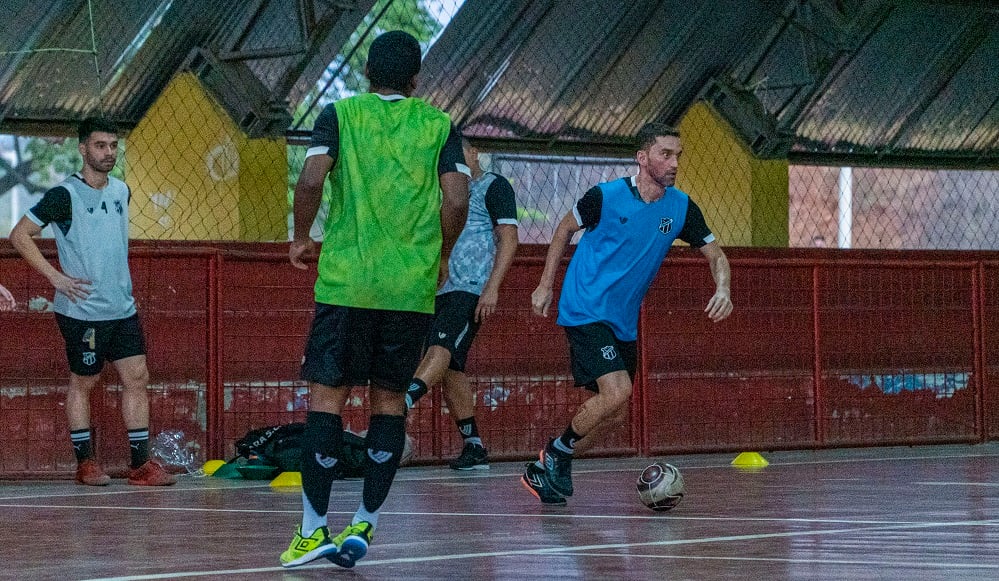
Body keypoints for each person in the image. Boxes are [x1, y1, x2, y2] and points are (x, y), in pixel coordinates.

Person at [281, 30, 470, 569]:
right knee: (389, 403)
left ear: (367, 73)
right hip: (408, 290)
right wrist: (441, 254)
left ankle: (314, 530)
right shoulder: (437, 125)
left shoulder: (340, 115)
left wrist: (300, 235)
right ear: (415, 80)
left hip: (347, 283)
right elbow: (457, 195)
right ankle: (366, 520)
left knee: (327, 399)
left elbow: (312, 178)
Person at [526, 123, 733, 505]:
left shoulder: (681, 206)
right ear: (642, 158)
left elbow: (716, 255)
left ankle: (552, 464)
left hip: (622, 319)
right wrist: (545, 284)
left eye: (678, 156)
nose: (674, 163)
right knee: (617, 391)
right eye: (665, 154)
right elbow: (562, 230)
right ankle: (554, 454)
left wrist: (723, 287)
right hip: (585, 305)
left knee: (616, 415)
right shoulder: (604, 197)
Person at [9, 117, 175, 487]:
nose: (108, 152)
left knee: (137, 377)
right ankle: (85, 463)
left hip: (122, 307)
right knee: (84, 381)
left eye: (113, 146)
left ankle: (140, 465)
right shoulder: (63, 195)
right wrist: (56, 278)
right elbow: (20, 235)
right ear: (83, 149)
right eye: (100, 146)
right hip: (82, 310)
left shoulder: (121, 191)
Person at [405, 138, 519, 471]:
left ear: (473, 154)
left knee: (439, 346)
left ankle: (403, 404)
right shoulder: (441, 194)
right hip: (435, 288)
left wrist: (491, 289)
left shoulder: (493, 187)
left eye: (459, 154)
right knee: (451, 366)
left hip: (470, 287)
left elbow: (509, 239)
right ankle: (474, 446)